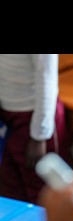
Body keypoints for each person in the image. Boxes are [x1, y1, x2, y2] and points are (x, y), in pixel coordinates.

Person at [0, 54, 68, 204]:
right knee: (10, 188)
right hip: (7, 115)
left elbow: (47, 79)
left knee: (42, 191)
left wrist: (39, 136)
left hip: (35, 118)